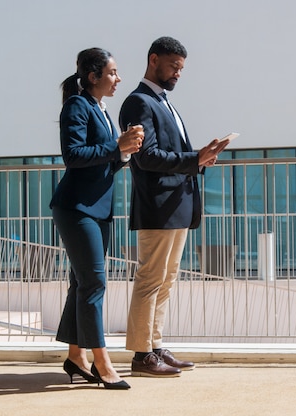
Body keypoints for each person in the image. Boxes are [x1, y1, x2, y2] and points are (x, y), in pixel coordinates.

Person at [119, 36, 229, 377]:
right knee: (151, 279)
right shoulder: (139, 102)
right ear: (154, 60)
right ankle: (141, 355)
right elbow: (147, 157)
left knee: (165, 281)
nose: (178, 74)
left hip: (176, 205)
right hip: (158, 206)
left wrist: (199, 159)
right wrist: (193, 158)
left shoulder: (162, 102)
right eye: (174, 67)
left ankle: (155, 346)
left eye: (181, 68)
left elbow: (170, 155)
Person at [50, 47, 144, 389]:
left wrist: (124, 152)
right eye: (113, 73)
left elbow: (103, 159)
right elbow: (73, 155)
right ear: (93, 77)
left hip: (98, 209)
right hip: (77, 208)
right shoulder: (77, 105)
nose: (118, 78)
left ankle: (77, 357)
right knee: (94, 285)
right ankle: (102, 363)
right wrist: (116, 146)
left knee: (82, 283)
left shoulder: (100, 109)